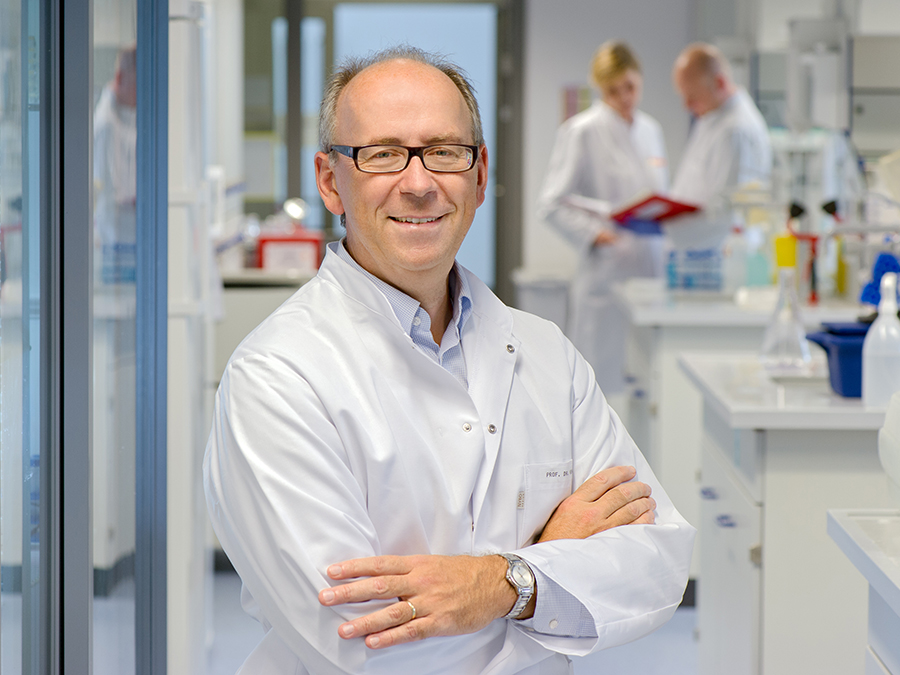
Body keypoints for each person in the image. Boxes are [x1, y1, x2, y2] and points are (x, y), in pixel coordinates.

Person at [204, 46, 694, 675]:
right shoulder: (276, 378)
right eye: (382, 154)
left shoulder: (548, 354)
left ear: (480, 174)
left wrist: (500, 583)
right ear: (330, 181)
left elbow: (658, 564)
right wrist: (549, 579)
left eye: (444, 151)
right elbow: (365, 645)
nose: (418, 183)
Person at [537, 41, 668, 397]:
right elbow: (551, 204)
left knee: (648, 388)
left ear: (640, 79)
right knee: (602, 390)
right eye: (613, 91)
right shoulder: (583, 130)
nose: (624, 97)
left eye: (630, 87)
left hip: (651, 272)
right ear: (599, 88)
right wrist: (598, 235)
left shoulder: (651, 131)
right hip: (607, 277)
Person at [667, 42, 772, 249]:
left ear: (720, 83)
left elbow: (727, 216)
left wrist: (669, 228)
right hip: (695, 250)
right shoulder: (712, 117)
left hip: (721, 254)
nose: (686, 106)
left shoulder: (736, 129)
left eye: (692, 97)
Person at [93, 46, 137, 283]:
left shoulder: (126, 116)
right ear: (120, 77)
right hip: (118, 247)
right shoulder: (107, 124)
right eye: (138, 84)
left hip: (130, 243)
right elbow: (116, 193)